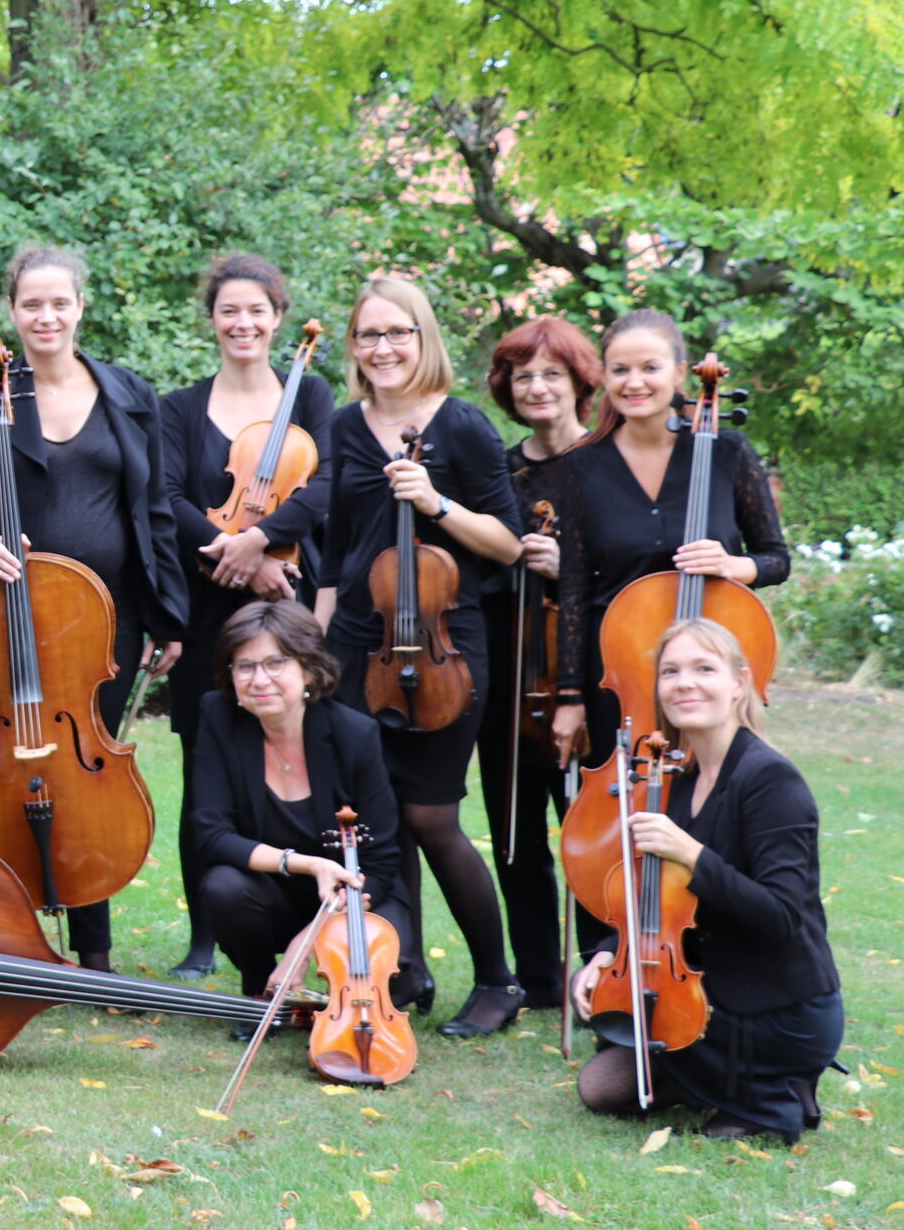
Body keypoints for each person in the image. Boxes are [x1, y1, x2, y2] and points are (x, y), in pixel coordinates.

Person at [0, 247, 186, 976]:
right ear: (11, 311)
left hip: (101, 627)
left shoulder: (129, 394)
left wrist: (167, 616)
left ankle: (96, 950)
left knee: (87, 774)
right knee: (3, 771)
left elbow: (155, 510)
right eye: (31, 304)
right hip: (6, 619)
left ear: (81, 305)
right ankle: (3, 937)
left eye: (59, 302)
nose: (46, 316)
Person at [320, 276, 526, 1036]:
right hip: (357, 641)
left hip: (445, 644)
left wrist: (436, 502)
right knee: (379, 817)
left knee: (433, 815)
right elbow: (337, 549)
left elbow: (507, 544)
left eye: (397, 332)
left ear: (423, 336)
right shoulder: (346, 427)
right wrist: (316, 644)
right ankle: (403, 967)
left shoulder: (463, 426)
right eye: (368, 335)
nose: (383, 348)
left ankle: (499, 981)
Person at [571, 619, 838, 1143]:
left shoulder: (771, 780)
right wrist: (607, 955)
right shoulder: (681, 779)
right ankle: (724, 1083)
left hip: (776, 1003)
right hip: (706, 986)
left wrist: (691, 853)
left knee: (639, 1067)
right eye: (670, 671)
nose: (683, 683)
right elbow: (664, 906)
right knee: (600, 1088)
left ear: (739, 682)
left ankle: (778, 1089)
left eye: (703, 668)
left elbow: (783, 918)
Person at [157, 252, 337, 981]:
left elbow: (326, 485)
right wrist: (227, 550)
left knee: (293, 759)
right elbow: (165, 499)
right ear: (212, 320)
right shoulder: (178, 407)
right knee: (206, 766)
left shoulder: (314, 394)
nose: (242, 322)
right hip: (208, 604)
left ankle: (297, 919)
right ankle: (204, 936)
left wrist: (260, 544)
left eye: (256, 310)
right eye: (228, 310)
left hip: (285, 597)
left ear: (277, 317)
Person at [550, 311, 791, 768]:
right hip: (620, 676)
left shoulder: (728, 452)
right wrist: (569, 695)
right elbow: (575, 587)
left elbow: (776, 558)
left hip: (713, 671)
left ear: (681, 373)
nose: (633, 382)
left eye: (649, 368)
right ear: (604, 375)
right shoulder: (581, 467)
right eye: (620, 370)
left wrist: (732, 565)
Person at [183, 603, 403, 1031]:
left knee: (396, 973)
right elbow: (210, 835)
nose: (259, 679)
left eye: (275, 662)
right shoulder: (218, 716)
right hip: (273, 893)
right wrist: (306, 864)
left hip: (353, 894)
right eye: (244, 666)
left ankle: (316, 995)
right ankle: (259, 991)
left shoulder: (354, 734)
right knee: (222, 886)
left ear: (309, 669)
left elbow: (380, 864)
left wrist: (310, 941)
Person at [474, 317, 602, 1006]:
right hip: (505, 672)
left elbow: (630, 567)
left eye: (552, 373)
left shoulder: (605, 462)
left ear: (581, 382)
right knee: (515, 834)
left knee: (587, 832)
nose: (536, 386)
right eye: (523, 374)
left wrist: (569, 566)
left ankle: (598, 967)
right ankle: (539, 978)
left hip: (583, 674)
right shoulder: (498, 466)